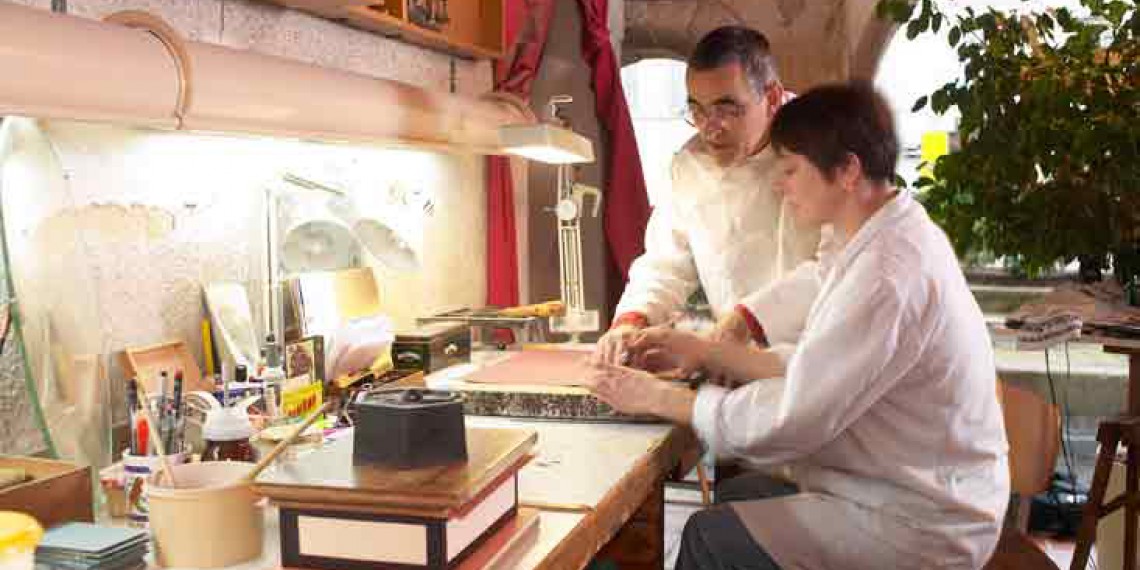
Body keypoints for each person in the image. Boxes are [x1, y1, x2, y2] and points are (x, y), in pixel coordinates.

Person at [587, 82, 1009, 570]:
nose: (778, 184)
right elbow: (824, 365)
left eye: (790, 169)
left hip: (922, 522)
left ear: (847, 170)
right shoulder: (883, 234)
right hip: (910, 490)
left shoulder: (887, 273)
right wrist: (705, 351)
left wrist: (660, 398)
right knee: (739, 496)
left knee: (709, 536)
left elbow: (797, 415)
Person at [594, 26, 825, 365]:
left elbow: (837, 267)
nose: (709, 127)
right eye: (697, 110)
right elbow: (666, 262)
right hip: (736, 356)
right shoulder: (689, 164)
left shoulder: (824, 148)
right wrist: (631, 321)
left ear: (772, 97)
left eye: (727, 109)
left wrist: (748, 318)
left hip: (818, 354)